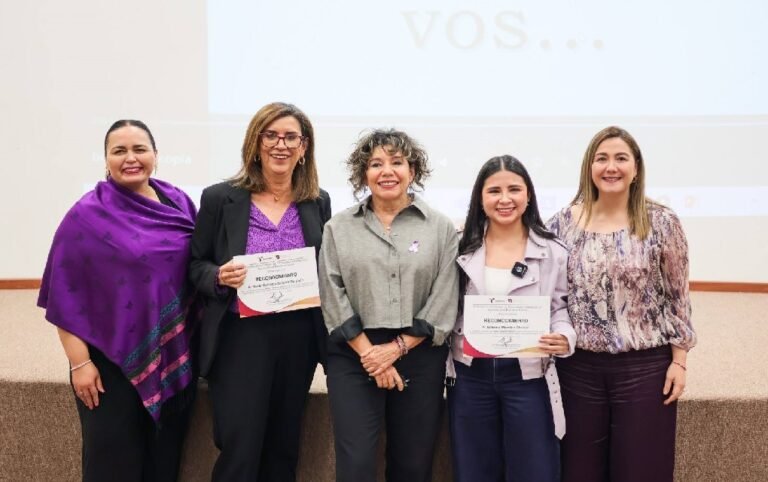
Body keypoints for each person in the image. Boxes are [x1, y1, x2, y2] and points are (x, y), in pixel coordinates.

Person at [37, 120, 198, 481]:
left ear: (155, 155)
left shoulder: (179, 201)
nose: (130, 158)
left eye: (139, 149)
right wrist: (80, 364)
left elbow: (198, 267)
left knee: (164, 459)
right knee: (113, 463)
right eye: (119, 150)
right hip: (107, 361)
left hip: (171, 351)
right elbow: (63, 294)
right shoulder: (86, 215)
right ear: (106, 158)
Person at [188, 102, 331, 482]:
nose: (280, 145)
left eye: (290, 137)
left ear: (304, 148)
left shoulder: (317, 202)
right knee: (240, 446)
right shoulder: (221, 198)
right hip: (240, 337)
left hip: (298, 336)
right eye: (271, 135)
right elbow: (194, 264)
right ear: (255, 142)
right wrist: (219, 276)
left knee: (283, 448)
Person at [547, 126, 697, 482]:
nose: (610, 167)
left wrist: (680, 362)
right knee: (578, 470)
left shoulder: (661, 222)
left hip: (644, 369)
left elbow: (679, 295)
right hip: (577, 369)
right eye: (601, 158)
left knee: (641, 470)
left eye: (620, 158)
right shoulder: (563, 223)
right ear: (590, 167)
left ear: (636, 169)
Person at [318, 128, 458, 482]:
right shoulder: (338, 228)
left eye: (397, 162)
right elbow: (332, 295)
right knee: (356, 466)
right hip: (353, 354)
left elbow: (444, 298)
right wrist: (372, 356)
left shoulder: (440, 228)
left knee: (412, 465)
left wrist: (394, 350)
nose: (387, 171)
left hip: (419, 354)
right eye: (376, 164)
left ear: (413, 171)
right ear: (363, 173)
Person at [447, 155, 575, 482]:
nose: (505, 199)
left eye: (514, 189)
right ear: (480, 198)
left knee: (536, 470)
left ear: (528, 195)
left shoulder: (553, 251)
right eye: (494, 191)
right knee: (474, 470)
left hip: (528, 377)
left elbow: (561, 308)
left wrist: (564, 337)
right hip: (470, 375)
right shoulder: (458, 247)